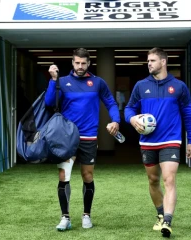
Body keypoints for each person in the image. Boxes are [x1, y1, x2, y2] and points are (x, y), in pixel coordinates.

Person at [45, 48, 121, 231]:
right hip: (67, 137)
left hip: (89, 136)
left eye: (83, 63)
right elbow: (49, 102)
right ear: (72, 62)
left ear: (89, 63)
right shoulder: (62, 82)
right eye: (77, 63)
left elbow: (110, 103)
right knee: (64, 176)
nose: (80, 66)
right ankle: (65, 217)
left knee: (87, 176)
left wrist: (116, 120)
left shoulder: (97, 83)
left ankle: (86, 214)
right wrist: (53, 80)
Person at [124, 47, 191, 238]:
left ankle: (168, 221)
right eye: (148, 60)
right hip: (148, 142)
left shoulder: (179, 86)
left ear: (163, 62)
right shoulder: (141, 86)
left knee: (169, 179)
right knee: (153, 180)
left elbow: (188, 113)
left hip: (171, 139)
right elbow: (129, 108)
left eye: (153, 60)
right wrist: (132, 120)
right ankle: (160, 213)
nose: (149, 63)